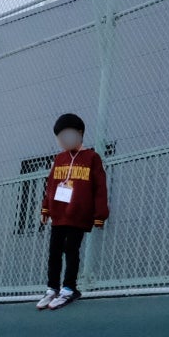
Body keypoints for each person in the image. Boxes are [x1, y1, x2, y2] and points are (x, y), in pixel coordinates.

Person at [37, 113, 108, 310]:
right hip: (59, 214)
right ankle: (52, 288)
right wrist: (46, 208)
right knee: (54, 251)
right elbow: (51, 185)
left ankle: (69, 288)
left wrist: (100, 215)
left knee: (71, 250)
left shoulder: (92, 158)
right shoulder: (59, 159)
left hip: (78, 215)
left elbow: (100, 187)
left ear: (80, 133)